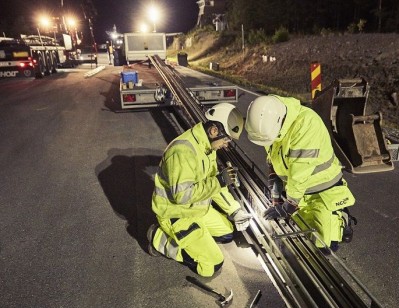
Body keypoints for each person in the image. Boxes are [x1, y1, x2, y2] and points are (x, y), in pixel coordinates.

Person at [147, 103, 253, 277]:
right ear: (213, 131)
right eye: (226, 139)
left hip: (197, 209)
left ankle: (196, 237)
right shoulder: (182, 151)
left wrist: (235, 211)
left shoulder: (207, 148)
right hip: (177, 214)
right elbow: (181, 196)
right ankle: (159, 237)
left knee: (228, 232)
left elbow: (214, 185)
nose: (226, 145)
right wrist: (219, 180)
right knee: (211, 266)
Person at [245, 95, 356, 253]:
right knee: (302, 238)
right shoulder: (270, 123)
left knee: (324, 246)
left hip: (323, 192)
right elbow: (273, 156)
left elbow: (300, 173)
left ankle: (342, 218)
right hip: (297, 192)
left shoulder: (306, 124)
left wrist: (289, 205)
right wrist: (274, 183)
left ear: (279, 122)